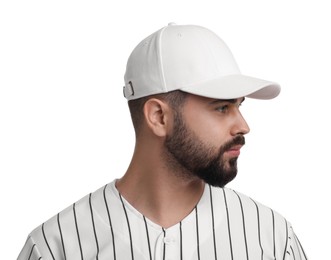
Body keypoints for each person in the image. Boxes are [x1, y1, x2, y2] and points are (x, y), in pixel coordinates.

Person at [18, 23, 307, 260]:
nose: (243, 126)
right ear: (158, 116)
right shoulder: (56, 247)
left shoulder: (272, 239)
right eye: (222, 107)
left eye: (240, 106)